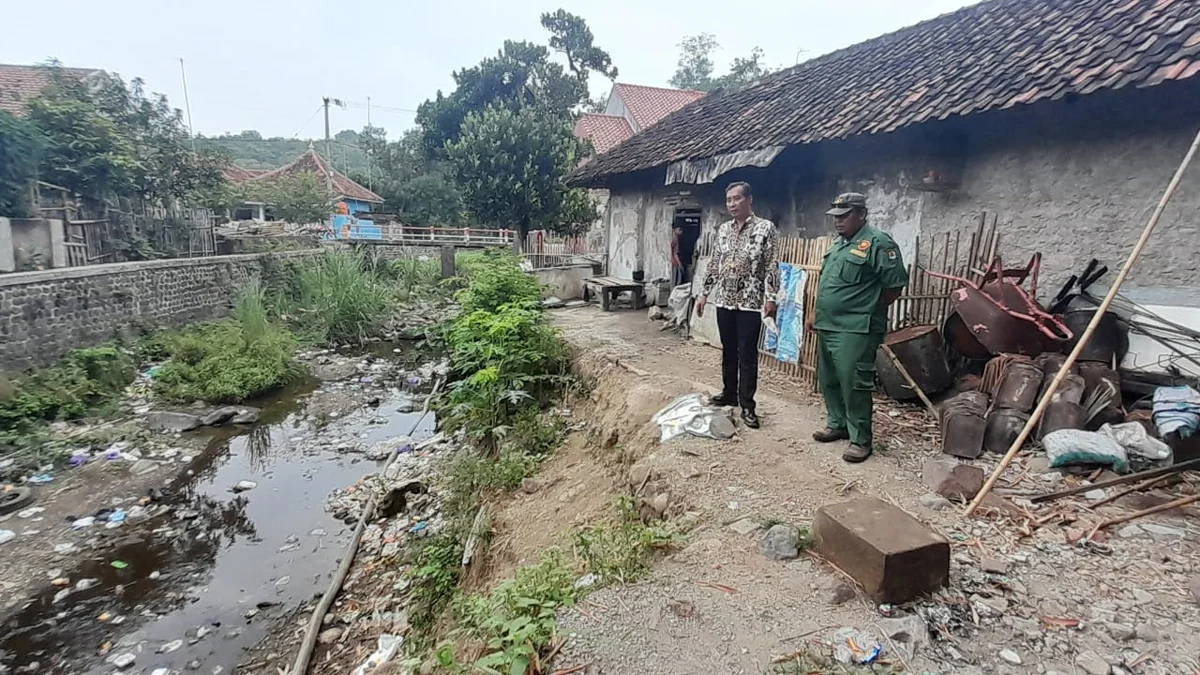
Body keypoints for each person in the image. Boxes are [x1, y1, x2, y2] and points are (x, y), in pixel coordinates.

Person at [808, 192, 908, 462]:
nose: (838, 222)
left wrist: (865, 310)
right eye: (835, 217)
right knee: (829, 380)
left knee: (855, 384)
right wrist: (816, 314)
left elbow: (894, 286)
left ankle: (861, 439)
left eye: (844, 216)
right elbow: (829, 283)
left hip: (856, 327)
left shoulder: (878, 243)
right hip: (828, 324)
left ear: (861, 214)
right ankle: (838, 423)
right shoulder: (839, 244)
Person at [697, 181, 779, 429]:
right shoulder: (722, 230)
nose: (732, 204)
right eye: (729, 200)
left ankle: (748, 405)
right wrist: (704, 294)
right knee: (728, 349)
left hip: (750, 303)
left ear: (749, 200)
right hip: (724, 300)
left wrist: (771, 298)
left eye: (736, 199)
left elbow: (772, 265)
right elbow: (714, 264)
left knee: (747, 354)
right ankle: (729, 393)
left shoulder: (766, 229)